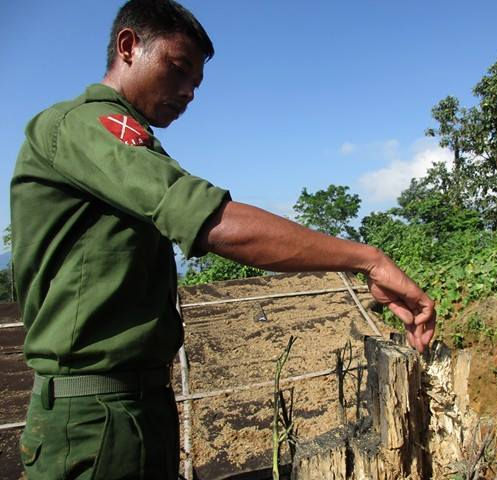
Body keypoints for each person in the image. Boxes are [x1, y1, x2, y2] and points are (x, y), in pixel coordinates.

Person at [10, 0, 436, 478]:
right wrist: (369, 260)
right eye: (178, 69)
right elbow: (214, 222)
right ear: (128, 47)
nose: (189, 92)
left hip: (137, 403)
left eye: (196, 83)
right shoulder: (82, 127)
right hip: (93, 416)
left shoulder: (133, 142)